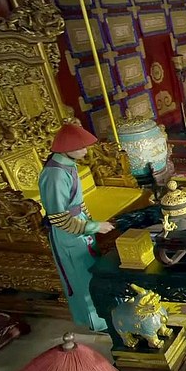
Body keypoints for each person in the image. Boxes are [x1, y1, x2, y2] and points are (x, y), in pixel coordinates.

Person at [39, 120, 115, 331]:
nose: (85, 150)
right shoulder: (55, 175)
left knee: (93, 272)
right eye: (81, 147)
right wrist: (94, 227)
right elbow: (59, 218)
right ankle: (96, 322)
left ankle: (104, 314)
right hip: (68, 234)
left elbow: (78, 204)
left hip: (81, 227)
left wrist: (92, 222)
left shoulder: (68, 166)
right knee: (81, 278)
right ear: (66, 148)